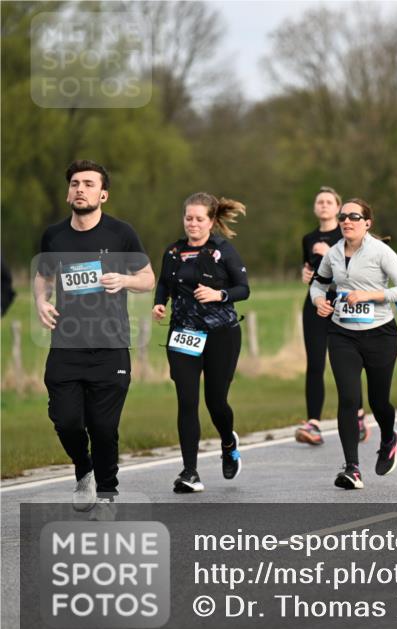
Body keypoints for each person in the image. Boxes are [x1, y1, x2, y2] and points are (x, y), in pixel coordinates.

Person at [35, 160, 155, 510]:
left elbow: (148, 277)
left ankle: (107, 494)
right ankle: (83, 469)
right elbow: (43, 276)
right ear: (68, 192)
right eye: (75, 183)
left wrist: (125, 280)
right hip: (66, 346)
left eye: (89, 184)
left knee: (103, 428)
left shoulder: (121, 233)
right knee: (66, 421)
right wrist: (41, 300)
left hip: (110, 346)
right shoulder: (54, 236)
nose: (80, 189)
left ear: (103, 194)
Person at [310, 199, 397, 488]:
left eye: (354, 216)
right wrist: (319, 301)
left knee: (378, 401)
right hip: (342, 334)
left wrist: (369, 295)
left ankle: (389, 437)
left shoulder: (381, 252)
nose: (347, 221)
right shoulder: (332, 254)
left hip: (380, 334)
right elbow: (318, 284)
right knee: (348, 398)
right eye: (343, 216)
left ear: (367, 223)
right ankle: (352, 468)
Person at [153, 193, 250, 493]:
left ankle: (228, 443)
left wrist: (218, 295)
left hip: (221, 335)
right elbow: (164, 283)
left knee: (215, 402)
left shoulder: (223, 250)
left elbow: (243, 289)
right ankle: (190, 472)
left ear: (211, 221)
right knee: (187, 401)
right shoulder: (173, 252)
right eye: (188, 218)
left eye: (199, 219)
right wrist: (160, 303)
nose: (192, 224)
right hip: (184, 334)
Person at [294, 187, 368, 446]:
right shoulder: (308, 238)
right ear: (315, 208)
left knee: (347, 363)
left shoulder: (347, 234)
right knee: (315, 363)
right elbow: (310, 271)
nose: (324, 205)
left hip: (344, 302)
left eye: (329, 202)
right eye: (320, 202)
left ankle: (358, 415)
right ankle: (313, 424)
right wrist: (305, 275)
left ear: (338, 208)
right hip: (316, 304)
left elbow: (356, 272)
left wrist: (330, 254)